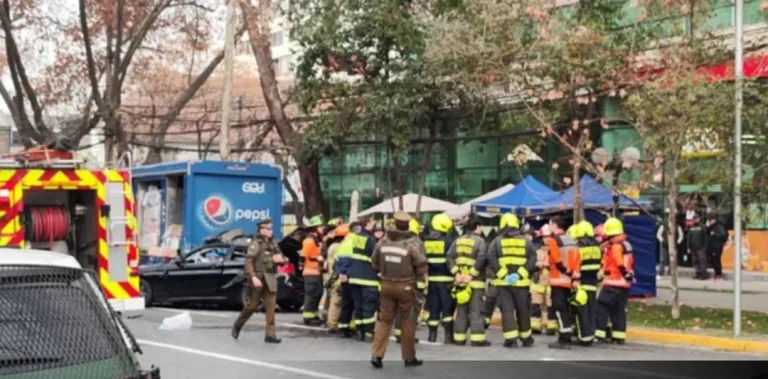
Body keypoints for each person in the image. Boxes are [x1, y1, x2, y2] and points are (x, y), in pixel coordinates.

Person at [370, 211, 428, 369]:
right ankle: (409, 358)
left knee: (384, 321)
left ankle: (377, 355)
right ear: (408, 225)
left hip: (386, 285)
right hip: (406, 287)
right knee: (407, 321)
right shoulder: (414, 243)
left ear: (394, 224)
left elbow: (374, 263)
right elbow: (421, 266)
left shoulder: (383, 241)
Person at [231, 218, 286, 343]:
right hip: (258, 278)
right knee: (252, 306)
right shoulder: (256, 243)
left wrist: (281, 260)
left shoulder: (273, 244)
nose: (271, 231)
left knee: (271, 308)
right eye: (268, 228)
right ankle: (237, 325)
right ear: (261, 230)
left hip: (271, 279)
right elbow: (249, 262)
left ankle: (270, 334)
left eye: (271, 228)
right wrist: (253, 277)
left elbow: (282, 257)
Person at [487, 213, 536, 348]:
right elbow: (533, 258)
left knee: (507, 311)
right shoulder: (526, 241)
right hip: (521, 283)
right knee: (523, 310)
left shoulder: (497, 241)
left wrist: (504, 275)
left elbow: (491, 258)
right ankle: (526, 339)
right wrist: (521, 274)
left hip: (504, 283)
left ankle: (511, 340)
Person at [446, 215, 490, 346]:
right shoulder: (480, 241)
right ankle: (477, 339)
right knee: (476, 311)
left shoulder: (458, 240)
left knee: (461, 311)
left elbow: (449, 257)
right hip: (475, 282)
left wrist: (456, 274)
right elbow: (482, 259)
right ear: (477, 227)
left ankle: (459, 338)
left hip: (460, 283)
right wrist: (471, 274)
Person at [595, 217, 634, 345]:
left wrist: (623, 273)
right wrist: (628, 276)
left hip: (613, 282)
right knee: (618, 310)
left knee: (600, 306)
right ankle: (619, 336)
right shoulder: (626, 244)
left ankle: (599, 334)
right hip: (623, 284)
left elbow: (618, 262)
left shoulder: (616, 246)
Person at [342, 215, 379, 341]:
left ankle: (359, 331)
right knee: (368, 306)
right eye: (372, 222)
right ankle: (369, 333)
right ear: (367, 223)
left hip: (354, 278)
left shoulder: (353, 238)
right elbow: (376, 260)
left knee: (358, 305)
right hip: (368, 279)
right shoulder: (370, 239)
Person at [542, 223, 578, 349]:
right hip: (569, 281)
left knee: (559, 309)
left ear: (554, 225)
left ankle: (563, 337)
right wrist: (573, 275)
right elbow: (578, 259)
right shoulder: (572, 240)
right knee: (566, 309)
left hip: (558, 279)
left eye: (550, 224)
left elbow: (557, 260)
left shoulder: (554, 240)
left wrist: (565, 270)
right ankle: (566, 334)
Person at [422, 213, 456, 343]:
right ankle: (448, 336)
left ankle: (432, 335)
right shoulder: (448, 240)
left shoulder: (426, 240)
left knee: (433, 308)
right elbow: (451, 258)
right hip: (446, 280)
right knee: (447, 308)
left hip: (431, 280)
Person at [570, 220, 602, 346]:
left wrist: (574, 280)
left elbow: (576, 265)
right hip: (593, 283)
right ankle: (590, 334)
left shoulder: (579, 247)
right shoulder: (597, 247)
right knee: (590, 310)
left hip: (581, 284)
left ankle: (584, 337)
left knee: (581, 311)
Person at [395, 218, 424, 344]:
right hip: (412, 280)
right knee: (411, 308)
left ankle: (398, 333)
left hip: (396, 279)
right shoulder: (416, 242)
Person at [335, 221, 361, 338]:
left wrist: (340, 273)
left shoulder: (344, 241)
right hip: (353, 276)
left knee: (346, 303)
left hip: (344, 277)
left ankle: (343, 327)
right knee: (357, 303)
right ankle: (355, 327)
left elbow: (338, 261)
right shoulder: (357, 241)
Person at [324, 224, 349, 332]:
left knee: (333, 301)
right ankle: (333, 324)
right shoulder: (339, 247)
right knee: (337, 301)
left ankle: (331, 323)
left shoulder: (332, 246)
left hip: (332, 277)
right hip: (337, 278)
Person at [530, 225, 555, 336]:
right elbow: (531, 264)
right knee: (535, 305)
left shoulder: (555, 250)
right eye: (544, 237)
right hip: (538, 282)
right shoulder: (537, 251)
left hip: (551, 283)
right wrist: (537, 264)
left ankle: (551, 327)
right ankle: (535, 326)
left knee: (550, 306)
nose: (546, 239)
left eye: (549, 236)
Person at [301, 215, 326, 325]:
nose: (322, 229)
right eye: (320, 227)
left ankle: (314, 314)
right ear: (315, 228)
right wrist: (318, 259)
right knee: (311, 295)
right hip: (310, 272)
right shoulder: (309, 241)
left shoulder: (317, 240)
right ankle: (308, 317)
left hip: (317, 272)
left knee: (318, 293)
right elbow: (303, 256)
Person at [687, 215, 709, 280]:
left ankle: (704, 274)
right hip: (693, 248)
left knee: (702, 260)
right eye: (694, 219)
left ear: (699, 219)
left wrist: (705, 246)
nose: (695, 220)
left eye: (696, 219)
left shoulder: (703, 227)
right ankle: (698, 273)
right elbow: (689, 238)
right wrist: (688, 247)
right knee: (695, 261)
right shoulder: (691, 227)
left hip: (701, 247)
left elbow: (706, 237)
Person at [707, 215, 728, 281]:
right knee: (713, 261)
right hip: (712, 246)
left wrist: (714, 234)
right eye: (709, 220)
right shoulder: (712, 227)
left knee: (716, 260)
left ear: (714, 220)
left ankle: (719, 274)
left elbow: (723, 236)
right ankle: (717, 273)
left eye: (711, 220)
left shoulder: (718, 226)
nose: (710, 222)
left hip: (717, 247)